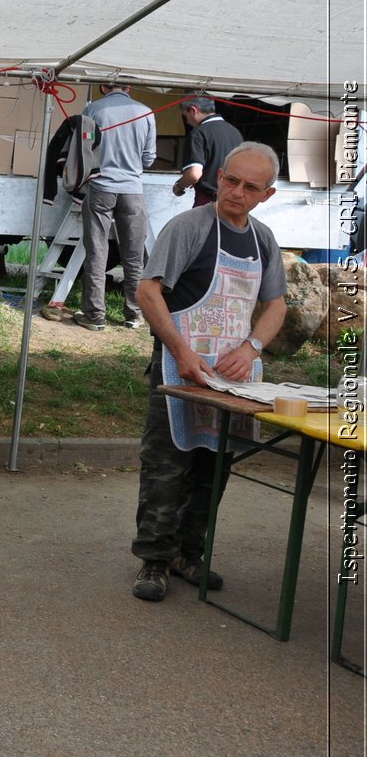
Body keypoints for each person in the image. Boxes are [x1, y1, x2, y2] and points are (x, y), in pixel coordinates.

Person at [131, 142, 287, 601]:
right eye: (231, 180)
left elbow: (275, 304)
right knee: (166, 466)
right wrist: (180, 350)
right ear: (219, 176)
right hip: (180, 371)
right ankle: (154, 560)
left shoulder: (263, 240)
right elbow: (147, 291)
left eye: (249, 187)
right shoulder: (189, 228)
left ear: (267, 194)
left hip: (233, 379)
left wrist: (251, 346)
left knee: (213, 468)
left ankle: (189, 554)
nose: (236, 192)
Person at [77, 82, 157, 332]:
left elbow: (84, 148)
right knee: (134, 257)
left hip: (101, 188)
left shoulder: (93, 110)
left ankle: (94, 315)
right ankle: (134, 314)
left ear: (103, 86)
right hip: (133, 190)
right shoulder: (146, 112)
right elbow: (149, 158)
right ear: (129, 87)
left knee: (97, 252)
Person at [171, 95, 244, 208]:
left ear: (193, 110)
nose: (188, 122)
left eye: (185, 116)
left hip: (209, 201)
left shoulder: (198, 133)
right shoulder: (235, 132)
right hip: (235, 200)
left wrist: (178, 186)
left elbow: (194, 174)